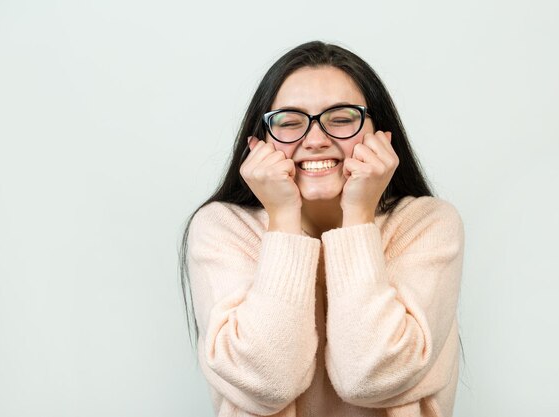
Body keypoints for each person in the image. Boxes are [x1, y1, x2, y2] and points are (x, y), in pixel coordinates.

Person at [179, 41, 464, 417]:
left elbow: (369, 377)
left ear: (382, 136)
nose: (315, 140)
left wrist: (358, 214)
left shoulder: (428, 224)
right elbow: (268, 383)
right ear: (257, 144)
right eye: (289, 122)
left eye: (342, 119)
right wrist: (282, 219)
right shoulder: (222, 229)